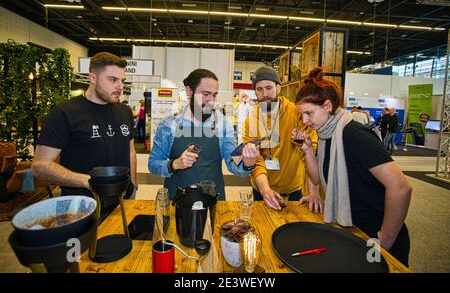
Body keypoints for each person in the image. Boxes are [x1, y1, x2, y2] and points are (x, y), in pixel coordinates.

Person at [294, 67, 412, 266]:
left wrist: (384, 238)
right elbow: (316, 179)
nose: (305, 121)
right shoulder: (326, 135)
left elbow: (401, 188)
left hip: (376, 234)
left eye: (309, 113)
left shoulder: (353, 134)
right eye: (302, 115)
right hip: (353, 230)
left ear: (327, 105)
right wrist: (306, 150)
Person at [32, 52, 137, 215]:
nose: (120, 86)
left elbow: (130, 150)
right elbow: (40, 166)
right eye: (112, 80)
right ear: (93, 78)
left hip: (122, 202)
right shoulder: (64, 113)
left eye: (122, 80)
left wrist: (133, 185)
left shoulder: (124, 111)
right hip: (81, 206)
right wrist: (87, 182)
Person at [148, 69, 259, 200]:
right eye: (205, 94)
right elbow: (153, 164)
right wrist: (175, 164)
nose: (210, 100)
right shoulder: (169, 126)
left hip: (212, 200)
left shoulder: (223, 124)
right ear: (189, 91)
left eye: (214, 95)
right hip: (176, 202)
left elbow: (234, 164)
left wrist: (247, 164)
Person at [242, 66, 321, 211]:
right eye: (259, 89)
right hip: (262, 189)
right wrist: (265, 191)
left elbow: (311, 153)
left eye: (269, 88)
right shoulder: (251, 120)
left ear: (278, 88)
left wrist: (313, 191)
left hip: (293, 190)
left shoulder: (297, 113)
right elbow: (256, 160)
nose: (265, 94)